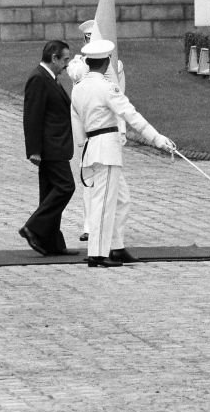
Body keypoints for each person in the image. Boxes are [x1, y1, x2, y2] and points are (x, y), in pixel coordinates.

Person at [70, 39, 176, 267]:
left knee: (121, 200)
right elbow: (130, 114)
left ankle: (116, 247)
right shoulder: (106, 87)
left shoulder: (78, 87)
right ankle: (97, 254)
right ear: (106, 61)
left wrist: (81, 144)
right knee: (103, 203)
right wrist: (157, 138)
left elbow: (75, 120)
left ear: (88, 63)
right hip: (106, 149)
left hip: (92, 147)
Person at [66, 19, 127, 243]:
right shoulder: (78, 64)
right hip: (86, 130)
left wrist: (121, 130)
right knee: (89, 180)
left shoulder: (116, 66)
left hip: (107, 130)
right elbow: (76, 74)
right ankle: (89, 226)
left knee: (113, 183)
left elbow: (119, 99)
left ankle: (108, 226)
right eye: (88, 40)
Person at [20, 40, 79, 256]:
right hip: (50, 147)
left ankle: (50, 242)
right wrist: (34, 150)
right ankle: (33, 227)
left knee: (48, 193)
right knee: (65, 187)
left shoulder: (50, 77)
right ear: (54, 58)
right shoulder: (38, 78)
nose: (67, 64)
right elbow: (32, 116)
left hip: (56, 145)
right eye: (65, 59)